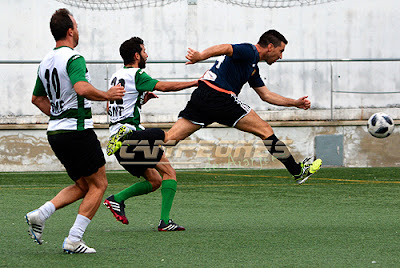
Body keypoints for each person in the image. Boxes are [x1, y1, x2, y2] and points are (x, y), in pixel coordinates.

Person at [25, 8, 125, 254]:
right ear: (70, 31)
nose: (78, 31)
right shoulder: (74, 58)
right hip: (77, 132)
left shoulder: (45, 62)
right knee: (99, 185)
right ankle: (73, 239)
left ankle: (40, 214)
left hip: (56, 133)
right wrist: (107, 95)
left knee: (83, 185)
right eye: (76, 27)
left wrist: (59, 115)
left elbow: (37, 99)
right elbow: (81, 88)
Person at [164, 30, 322, 183]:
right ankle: (297, 171)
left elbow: (266, 95)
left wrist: (294, 103)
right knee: (265, 130)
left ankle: (140, 150)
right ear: (270, 47)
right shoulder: (250, 51)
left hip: (202, 96)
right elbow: (226, 48)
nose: (281, 56)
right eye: (281, 51)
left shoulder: (252, 67)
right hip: (220, 97)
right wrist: (200, 56)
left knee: (169, 138)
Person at [103, 37, 198, 231]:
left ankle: (117, 199)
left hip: (118, 142)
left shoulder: (115, 76)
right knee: (169, 163)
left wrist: (140, 101)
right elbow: (163, 86)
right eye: (144, 51)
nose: (147, 54)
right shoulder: (137, 74)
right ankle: (164, 222)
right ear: (137, 55)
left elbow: (109, 106)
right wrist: (196, 82)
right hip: (132, 138)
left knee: (155, 181)